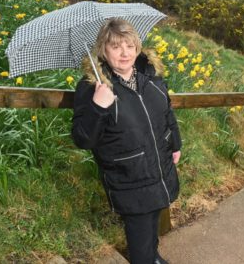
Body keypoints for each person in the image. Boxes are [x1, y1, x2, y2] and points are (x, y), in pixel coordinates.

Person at [72, 18, 181, 264]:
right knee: (140, 238)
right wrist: (98, 107)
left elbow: (167, 114)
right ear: (103, 50)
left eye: (130, 46)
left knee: (153, 220)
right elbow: (83, 139)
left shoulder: (151, 78)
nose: (125, 53)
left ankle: (153, 256)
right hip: (130, 176)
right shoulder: (93, 88)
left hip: (160, 166)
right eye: (116, 47)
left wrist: (176, 144)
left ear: (137, 48)